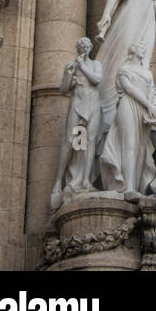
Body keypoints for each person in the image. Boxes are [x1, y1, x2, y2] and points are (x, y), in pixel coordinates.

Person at [98, 42, 156, 199]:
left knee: (141, 147)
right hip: (128, 105)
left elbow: (152, 92)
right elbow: (130, 89)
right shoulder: (124, 70)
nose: (144, 49)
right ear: (132, 50)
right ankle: (128, 187)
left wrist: (155, 107)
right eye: (140, 47)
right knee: (129, 145)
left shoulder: (147, 73)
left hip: (144, 110)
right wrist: (148, 105)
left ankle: (137, 185)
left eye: (144, 48)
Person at [51, 37, 102, 208]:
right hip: (77, 102)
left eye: (87, 46)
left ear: (90, 48)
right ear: (78, 49)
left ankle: (85, 180)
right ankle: (59, 181)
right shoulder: (71, 65)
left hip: (92, 103)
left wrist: (82, 67)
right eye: (82, 47)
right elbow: (63, 89)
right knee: (71, 141)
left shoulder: (95, 65)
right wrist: (68, 74)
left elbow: (96, 80)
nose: (85, 49)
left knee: (89, 141)